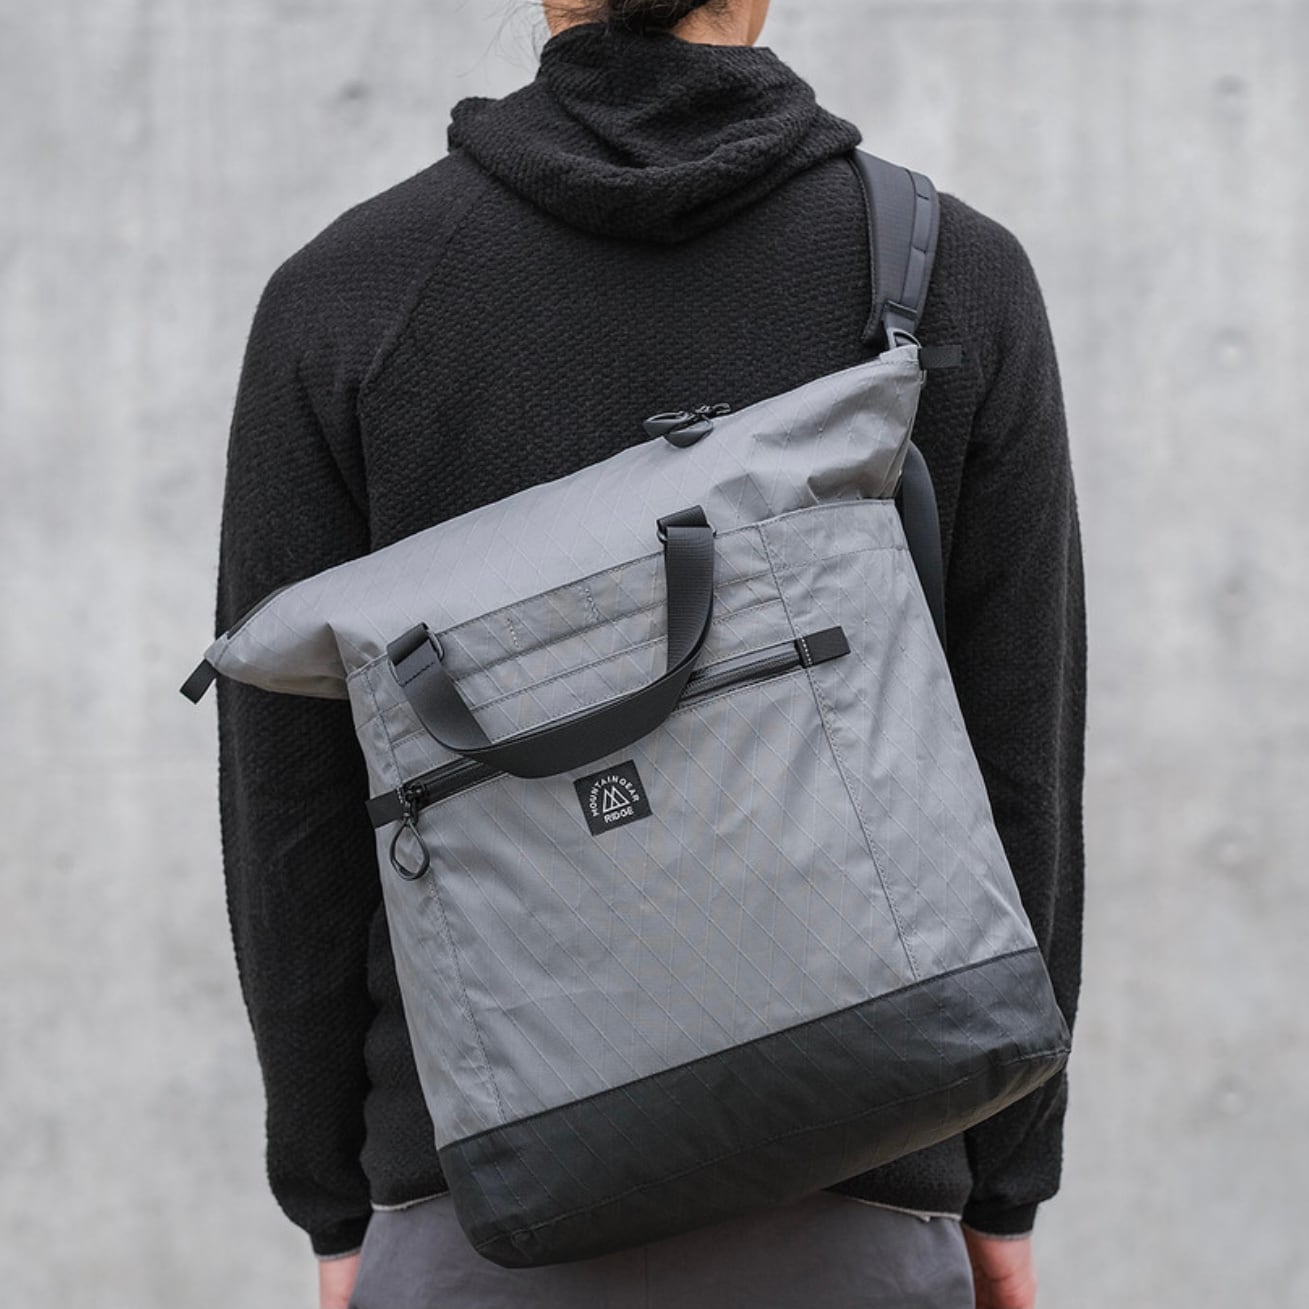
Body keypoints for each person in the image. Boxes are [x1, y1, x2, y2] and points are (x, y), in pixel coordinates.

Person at [212, 1, 1085, 1306]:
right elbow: (1021, 764)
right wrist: (1004, 1183)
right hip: (867, 1175)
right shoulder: (942, 270)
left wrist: (337, 1207)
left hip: (481, 1204)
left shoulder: (342, 297)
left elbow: (290, 823)